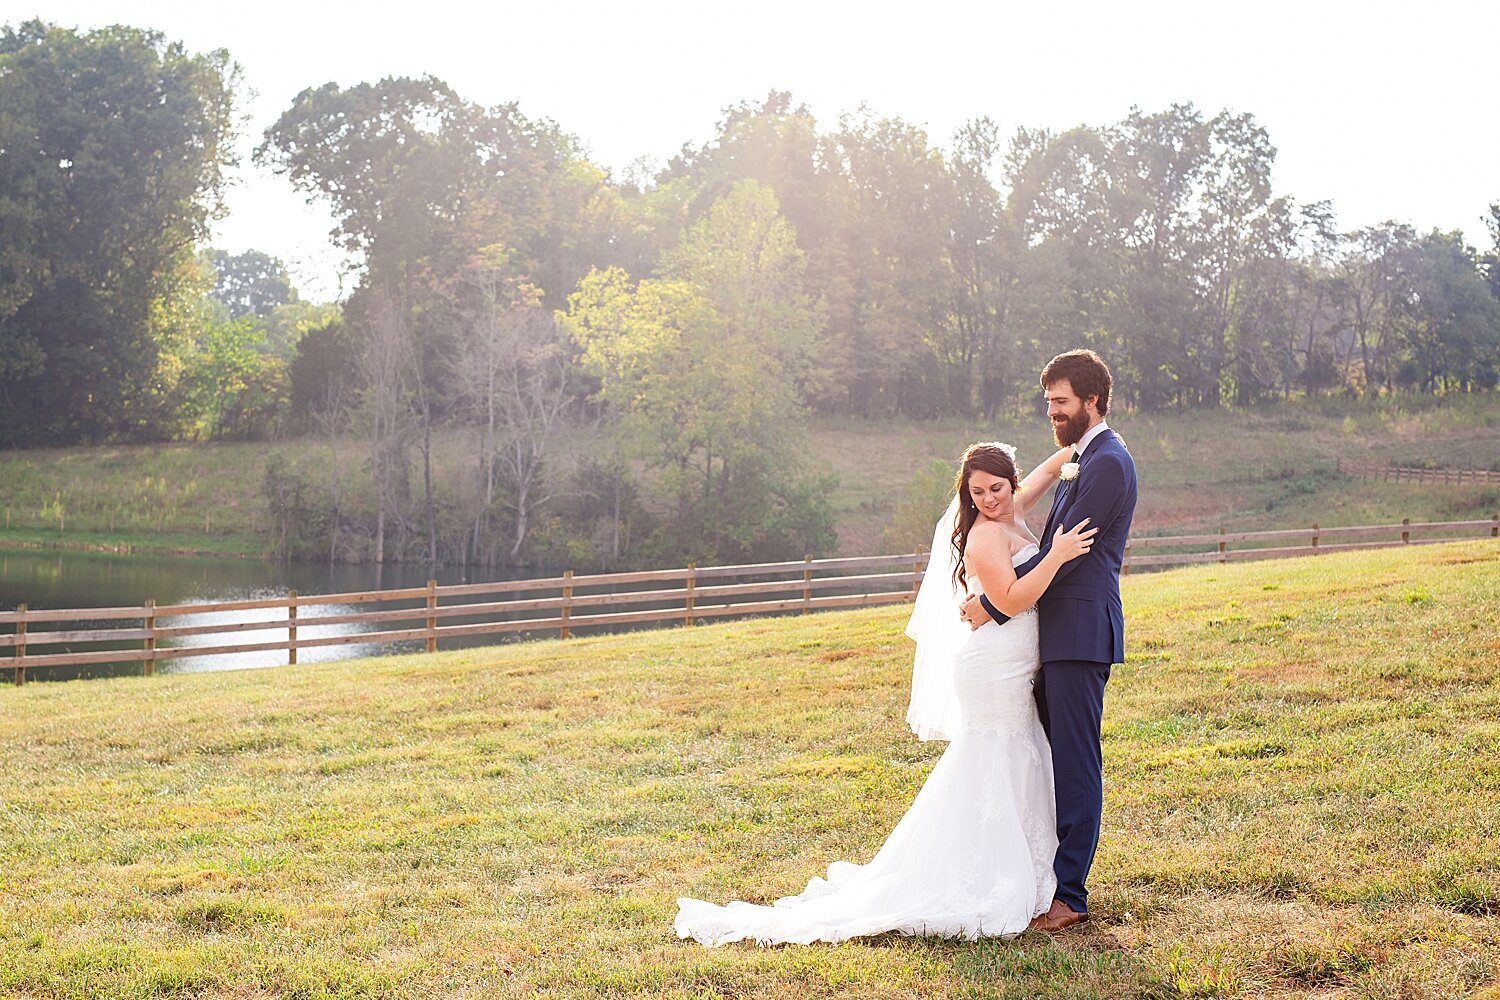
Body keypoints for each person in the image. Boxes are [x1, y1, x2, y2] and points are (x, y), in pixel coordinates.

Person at [674, 442, 1095, 946]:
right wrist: (1057, 554)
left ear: (1011, 483)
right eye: (976, 492)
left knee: (1019, 755)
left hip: (1015, 665)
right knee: (996, 757)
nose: (988, 499)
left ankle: (1021, 865)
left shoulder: (1015, 509)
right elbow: (1010, 598)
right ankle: (976, 875)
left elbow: (1046, 473)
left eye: (997, 488)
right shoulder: (986, 535)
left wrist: (1078, 444)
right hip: (993, 668)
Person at [960, 349, 1138, 934]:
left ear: (1092, 400)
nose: (1053, 413)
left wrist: (992, 603)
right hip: (1052, 638)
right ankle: (1044, 877)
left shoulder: (1108, 463)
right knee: (1049, 758)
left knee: (1076, 764)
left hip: (1079, 634)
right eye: (1048, 404)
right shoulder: (1083, 458)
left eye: (1061, 403)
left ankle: (1071, 896)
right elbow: (1046, 530)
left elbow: (1066, 550)